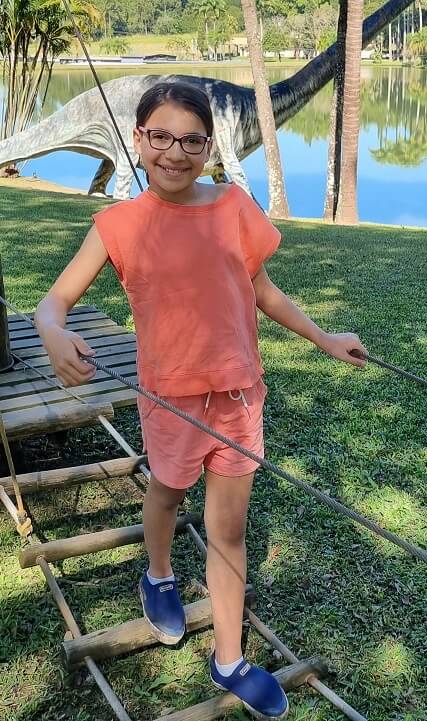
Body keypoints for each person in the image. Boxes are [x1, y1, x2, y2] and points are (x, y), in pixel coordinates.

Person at [35, 81, 367, 720]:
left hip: (239, 396)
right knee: (165, 491)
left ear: (209, 147)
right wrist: (52, 332)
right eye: (160, 137)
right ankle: (157, 572)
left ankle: (228, 656)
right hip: (171, 402)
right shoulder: (118, 225)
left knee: (229, 528)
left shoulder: (234, 207)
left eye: (191, 140)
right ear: (139, 141)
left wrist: (324, 338)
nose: (175, 153)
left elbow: (262, 289)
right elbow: (53, 303)